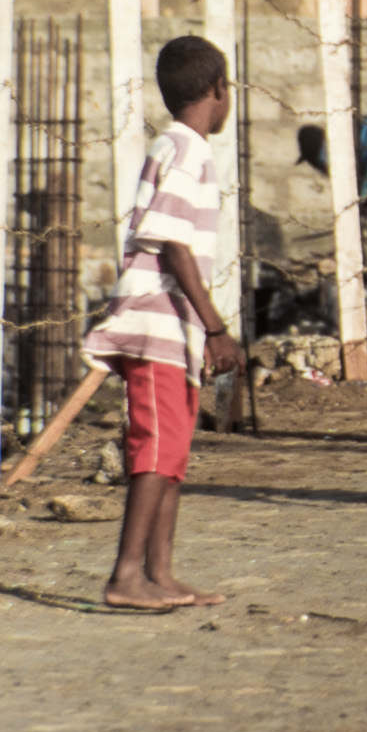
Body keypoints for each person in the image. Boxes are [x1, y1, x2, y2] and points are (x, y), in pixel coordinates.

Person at [80, 35, 242, 609]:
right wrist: (217, 327)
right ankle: (125, 576)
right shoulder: (189, 150)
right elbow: (172, 244)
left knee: (171, 452)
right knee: (153, 449)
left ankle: (160, 574)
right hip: (156, 323)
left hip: (174, 328)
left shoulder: (177, 145)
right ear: (219, 89)